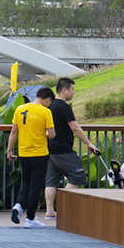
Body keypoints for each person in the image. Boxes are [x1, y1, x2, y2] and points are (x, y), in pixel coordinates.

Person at [43, 77, 102, 219]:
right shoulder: (64, 107)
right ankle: (63, 208)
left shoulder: (49, 107)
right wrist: (89, 143)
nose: (73, 93)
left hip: (51, 149)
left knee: (51, 181)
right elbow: (75, 128)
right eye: (72, 89)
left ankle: (50, 211)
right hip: (63, 149)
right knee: (78, 176)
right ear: (64, 90)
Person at [6, 87, 57, 228]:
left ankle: (18, 204)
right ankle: (30, 218)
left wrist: (9, 150)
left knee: (25, 182)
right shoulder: (46, 112)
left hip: (24, 153)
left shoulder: (20, 109)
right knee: (36, 186)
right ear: (47, 99)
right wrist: (45, 134)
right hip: (40, 153)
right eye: (49, 102)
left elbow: (14, 132)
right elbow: (52, 134)